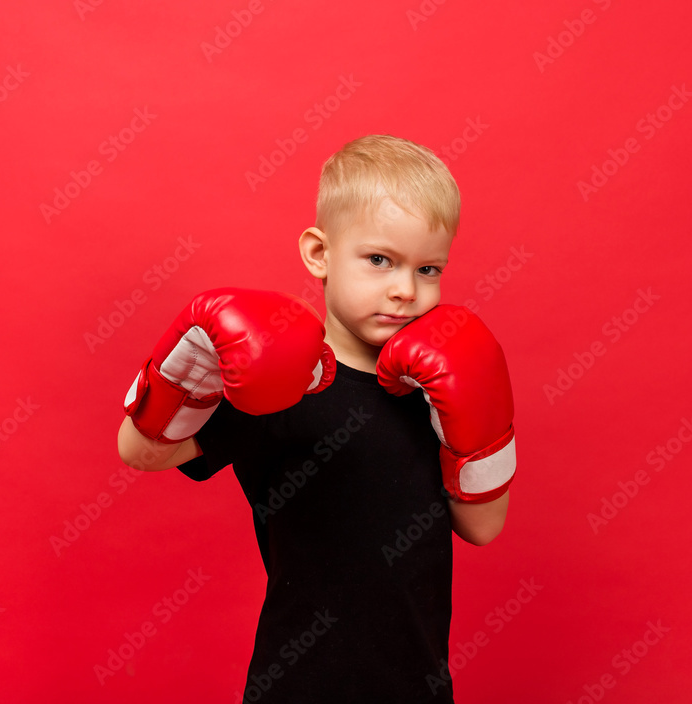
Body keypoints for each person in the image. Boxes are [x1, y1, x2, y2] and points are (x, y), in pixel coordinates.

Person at [117, 134, 517, 702]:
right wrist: (193, 369)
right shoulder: (278, 377)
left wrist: (481, 413)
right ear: (319, 253)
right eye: (379, 260)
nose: (405, 290)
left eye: (428, 269)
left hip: (418, 684)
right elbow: (139, 452)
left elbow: (482, 527)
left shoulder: (434, 384)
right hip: (296, 682)